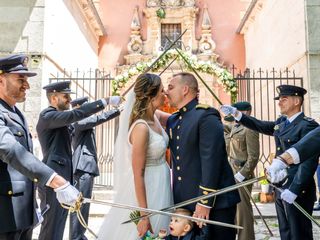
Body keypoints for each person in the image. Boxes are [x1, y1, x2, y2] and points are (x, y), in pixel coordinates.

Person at [220, 85, 319, 240]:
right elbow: (261, 125)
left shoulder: (308, 125)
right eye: (279, 99)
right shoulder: (282, 122)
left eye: (284, 99)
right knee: (285, 231)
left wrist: (294, 189)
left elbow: (308, 162)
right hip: (280, 185)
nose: (279, 103)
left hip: (297, 189)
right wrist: (238, 115)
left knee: (299, 233)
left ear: (297, 101)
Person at [0, 54, 79, 240]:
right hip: (4, 214)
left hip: (21, 213)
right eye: (20, 79)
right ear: (1, 80)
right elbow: (10, 150)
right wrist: (55, 180)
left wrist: (32, 208)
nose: (26, 85)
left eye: (26, 80)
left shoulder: (14, 112)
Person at [36, 81, 121, 240]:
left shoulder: (60, 120)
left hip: (62, 181)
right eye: (65, 96)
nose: (69, 99)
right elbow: (76, 115)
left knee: (58, 227)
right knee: (51, 229)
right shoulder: (47, 115)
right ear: (54, 98)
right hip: (53, 181)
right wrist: (106, 101)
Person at [166, 72, 240, 239]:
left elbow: (211, 161)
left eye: (170, 87)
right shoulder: (174, 120)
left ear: (185, 89)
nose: (166, 91)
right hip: (187, 202)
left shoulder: (206, 115)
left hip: (215, 203)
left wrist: (205, 201)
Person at [98, 73, 172, 239]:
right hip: (149, 187)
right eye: (161, 91)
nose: (165, 93)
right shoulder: (141, 128)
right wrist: (144, 214)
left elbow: (180, 119)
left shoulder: (156, 116)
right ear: (151, 97)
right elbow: (138, 173)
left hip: (162, 181)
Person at [69, 96, 121, 240]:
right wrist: (118, 111)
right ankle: (76, 237)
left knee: (84, 204)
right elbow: (98, 119)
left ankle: (79, 235)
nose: (90, 111)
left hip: (86, 167)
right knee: (80, 205)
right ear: (79, 108)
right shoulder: (78, 120)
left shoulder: (83, 122)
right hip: (82, 167)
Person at [224, 101, 259, 240]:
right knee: (233, 209)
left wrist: (242, 174)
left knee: (243, 212)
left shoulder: (250, 128)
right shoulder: (235, 126)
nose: (234, 114)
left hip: (241, 172)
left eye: (237, 111)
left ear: (246, 112)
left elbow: (254, 156)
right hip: (231, 170)